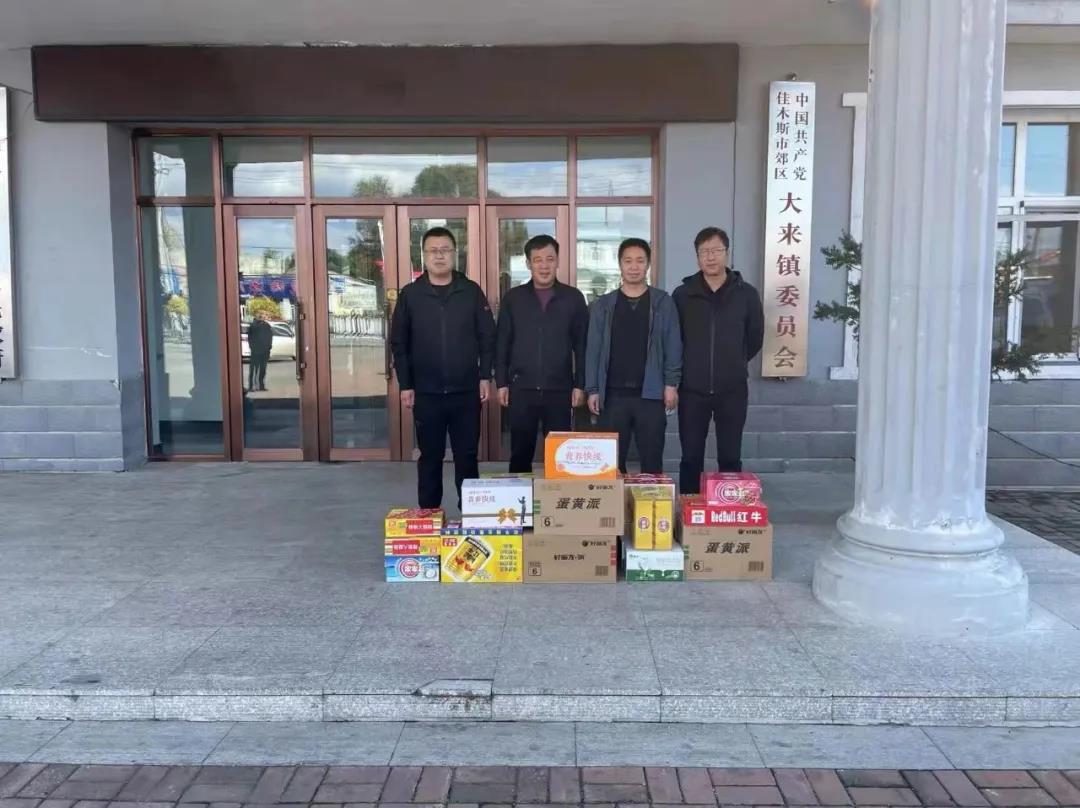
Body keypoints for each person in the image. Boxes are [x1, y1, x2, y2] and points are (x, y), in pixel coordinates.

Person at [390, 226, 496, 509]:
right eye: (433, 251)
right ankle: (428, 516)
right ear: (423, 256)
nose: (439, 256)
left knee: (467, 457)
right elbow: (399, 342)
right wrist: (406, 384)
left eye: (445, 250)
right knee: (429, 458)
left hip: (466, 392)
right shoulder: (411, 294)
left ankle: (471, 516)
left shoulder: (471, 291)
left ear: (454, 254)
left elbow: (487, 336)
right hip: (427, 392)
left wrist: (485, 375)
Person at [672, 226, 765, 495]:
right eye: (704, 252)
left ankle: (728, 510)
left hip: (732, 389)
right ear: (697, 257)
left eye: (716, 250)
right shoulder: (682, 295)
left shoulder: (746, 294)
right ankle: (688, 510)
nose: (710, 257)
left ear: (727, 253)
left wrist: (733, 361)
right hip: (692, 390)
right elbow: (674, 339)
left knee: (730, 456)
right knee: (691, 457)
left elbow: (755, 337)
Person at [585, 237, 682, 475]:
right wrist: (593, 389)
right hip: (613, 396)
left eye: (640, 260)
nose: (634, 266)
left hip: (651, 395)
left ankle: (651, 499)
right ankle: (615, 501)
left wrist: (671, 384)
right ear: (620, 264)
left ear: (648, 264)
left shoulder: (663, 302)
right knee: (611, 465)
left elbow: (673, 344)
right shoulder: (604, 305)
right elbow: (593, 349)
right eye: (628, 261)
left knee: (652, 461)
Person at [495, 235, 588, 473]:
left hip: (560, 389)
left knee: (559, 456)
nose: (544, 266)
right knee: (520, 452)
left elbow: (582, 345)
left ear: (558, 261)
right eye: (538, 260)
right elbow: (502, 343)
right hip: (521, 388)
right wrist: (502, 382)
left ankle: (557, 498)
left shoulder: (573, 298)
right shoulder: (513, 299)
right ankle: (519, 496)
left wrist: (580, 385)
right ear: (528, 263)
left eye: (550, 259)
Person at [246, 311, 273, 392]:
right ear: (260, 316)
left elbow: (270, 337)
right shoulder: (253, 325)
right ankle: (251, 386)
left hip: (264, 351)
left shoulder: (267, 325)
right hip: (256, 351)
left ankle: (261, 385)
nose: (265, 316)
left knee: (262, 369)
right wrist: (253, 347)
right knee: (254, 369)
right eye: (264, 315)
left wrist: (268, 348)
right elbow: (250, 338)